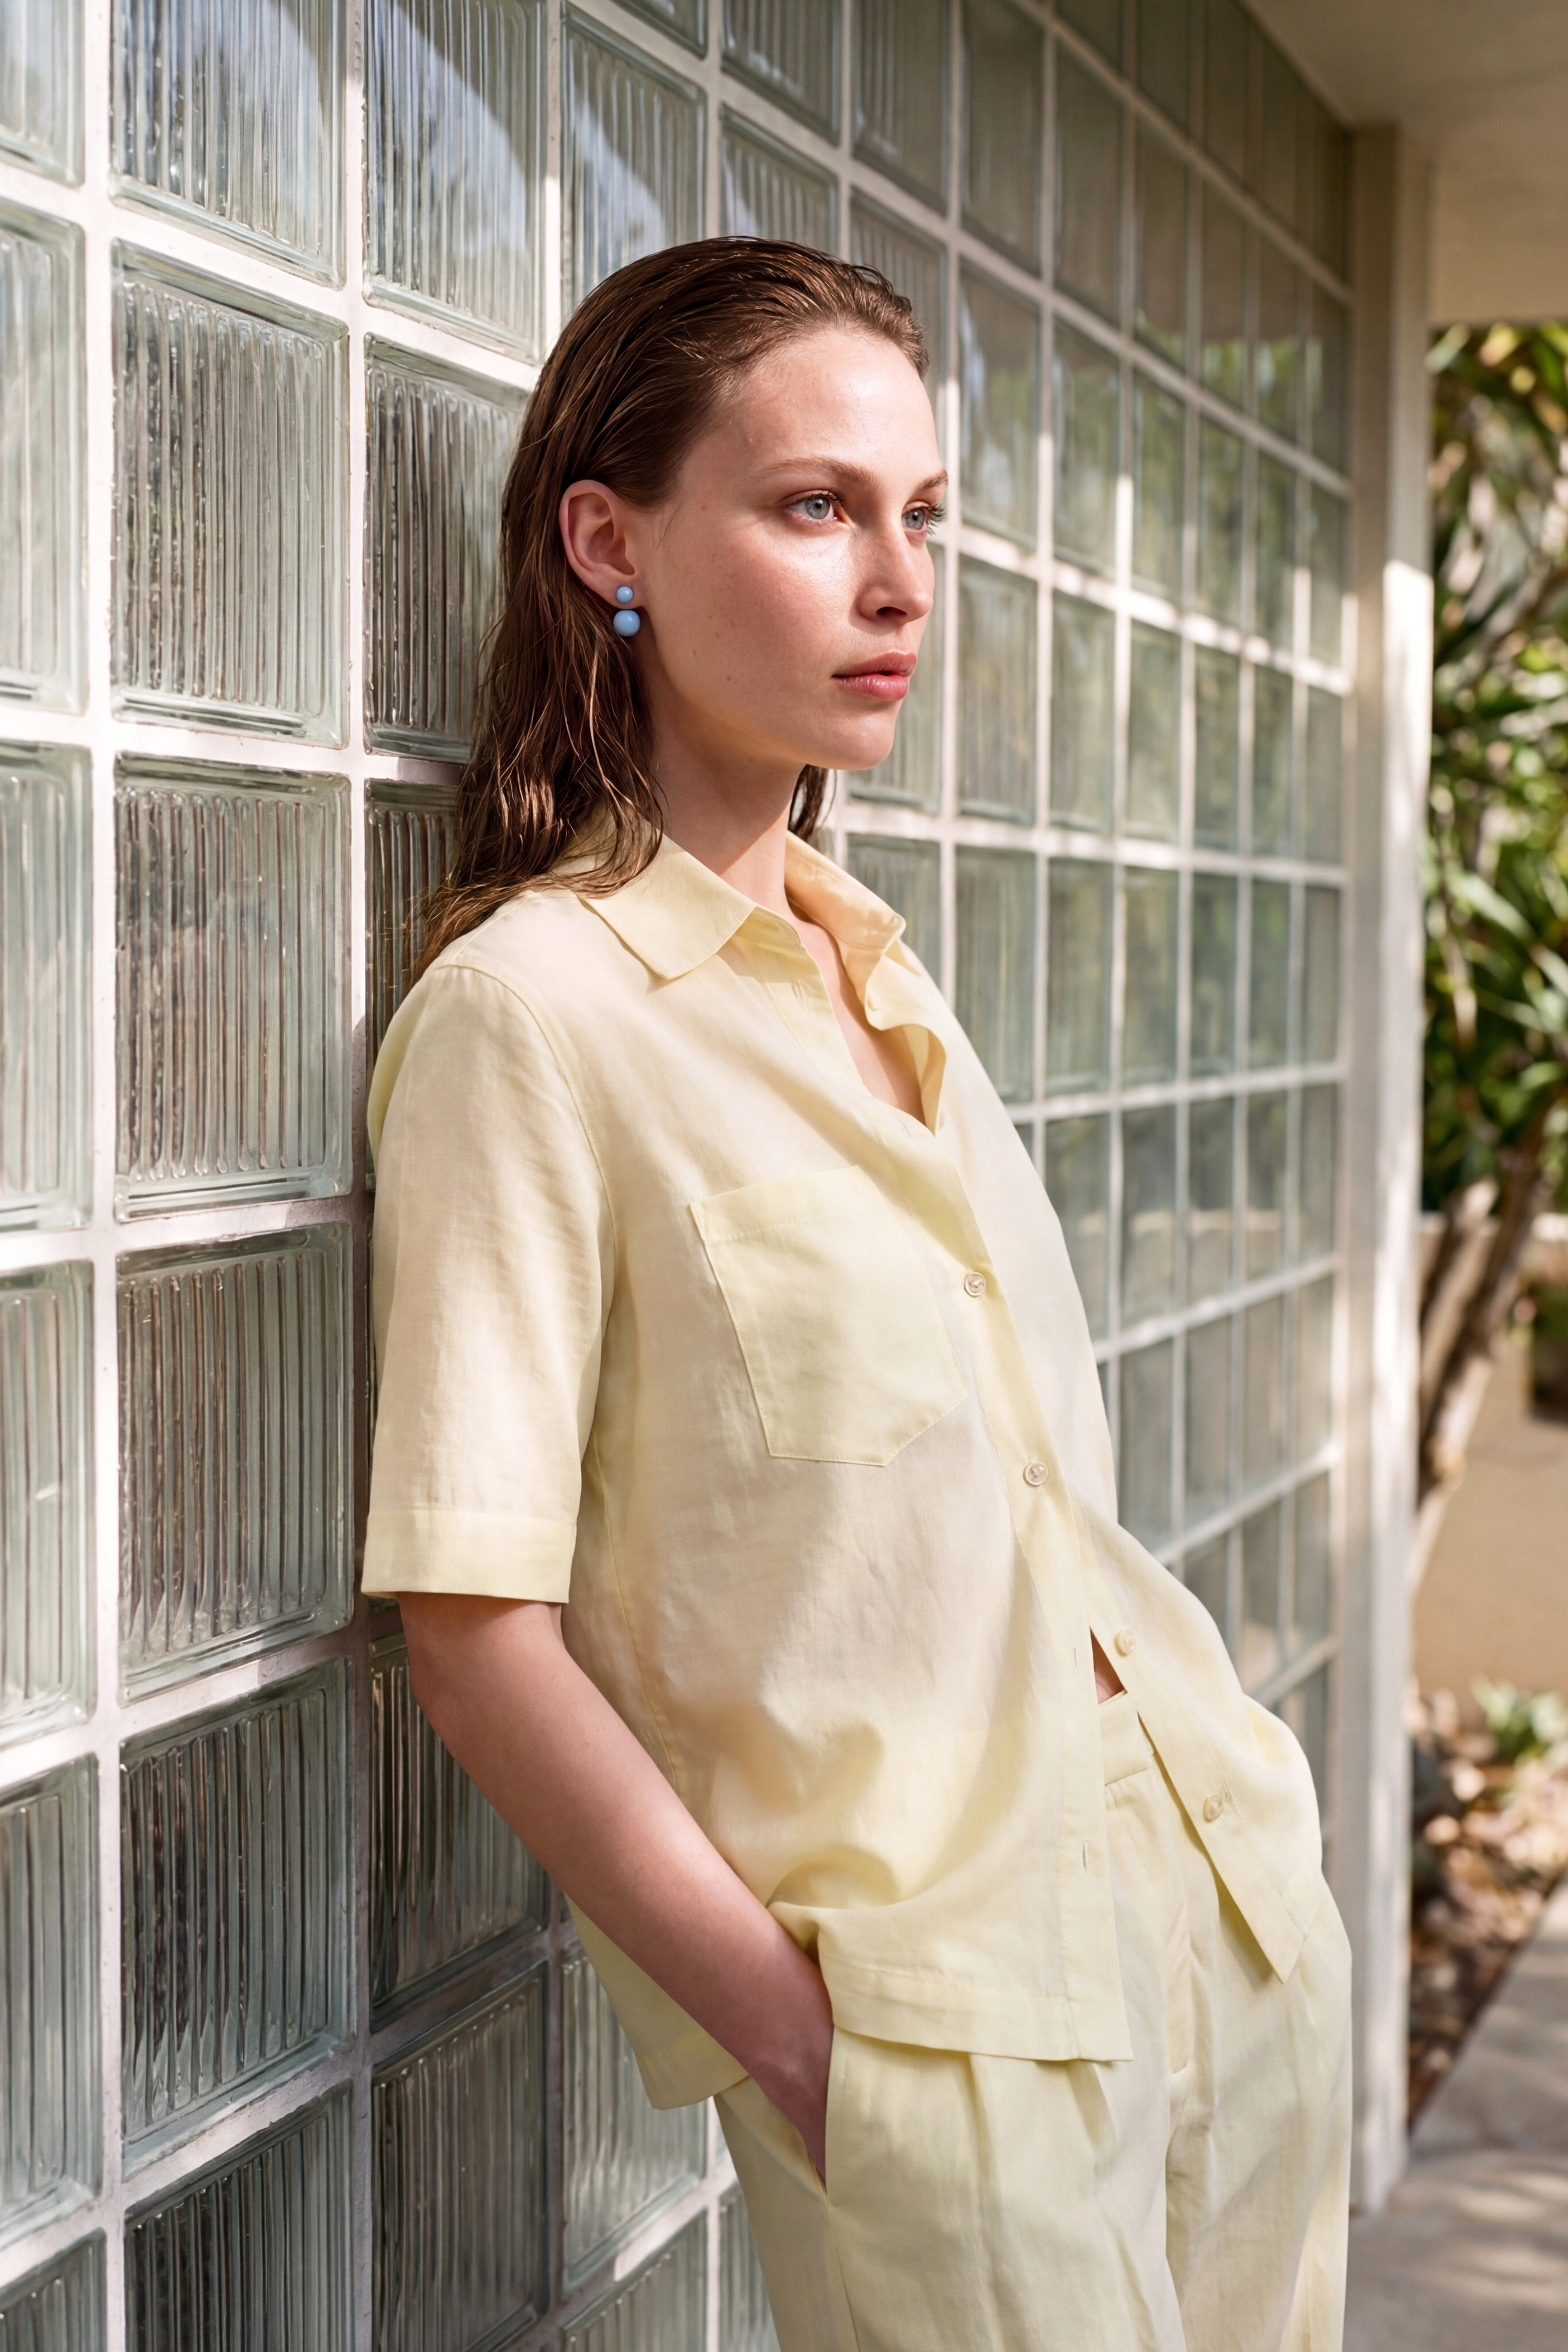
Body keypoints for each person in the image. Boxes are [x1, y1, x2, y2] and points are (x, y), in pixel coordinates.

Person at [363, 238, 1351, 2351]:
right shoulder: (531, 1020)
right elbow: (475, 1640)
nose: (899, 582)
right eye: (817, 507)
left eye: (924, 517)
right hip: (941, 2043)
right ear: (609, 542)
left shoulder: (881, 979)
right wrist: (819, 2067)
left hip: (1222, 1924)